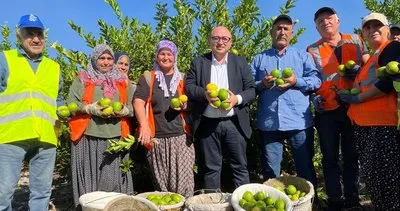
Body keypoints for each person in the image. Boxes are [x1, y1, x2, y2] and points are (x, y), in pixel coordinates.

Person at [306, 7, 369, 210]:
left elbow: (368, 65)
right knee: (330, 156)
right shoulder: (312, 49)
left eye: (329, 18)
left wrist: (360, 73)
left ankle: (352, 200)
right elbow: (312, 78)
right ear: (316, 27)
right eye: (320, 21)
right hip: (327, 109)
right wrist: (316, 97)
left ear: (338, 20)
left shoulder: (356, 40)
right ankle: (335, 200)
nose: (325, 22)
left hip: (353, 105)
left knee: (352, 155)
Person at [0, 14, 64, 210]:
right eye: (30, 34)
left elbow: (58, 100)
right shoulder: (5, 59)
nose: (36, 39)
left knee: (42, 192)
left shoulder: (54, 67)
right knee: (3, 192)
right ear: (19, 36)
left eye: (40, 34)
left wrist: (65, 115)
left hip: (46, 136)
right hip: (12, 135)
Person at [338, 12, 400, 210]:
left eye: (377, 26)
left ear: (388, 30)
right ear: (363, 33)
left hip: (382, 126)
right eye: (368, 27)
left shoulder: (392, 47)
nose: (373, 30)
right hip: (367, 125)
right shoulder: (375, 56)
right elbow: (372, 78)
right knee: (376, 180)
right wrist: (357, 73)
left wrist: (358, 98)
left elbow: (391, 80)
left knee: (387, 181)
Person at [251, 15, 320, 189]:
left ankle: (310, 204)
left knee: (305, 169)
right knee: (270, 171)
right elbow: (249, 86)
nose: (282, 32)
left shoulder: (302, 56)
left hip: (298, 122)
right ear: (272, 32)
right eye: (278, 28)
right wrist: (262, 84)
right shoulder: (259, 58)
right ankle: (273, 204)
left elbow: (316, 80)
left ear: (291, 33)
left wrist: (296, 81)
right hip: (269, 123)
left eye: (286, 29)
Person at [185, 26, 256, 190]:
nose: (220, 42)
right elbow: (189, 86)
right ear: (209, 41)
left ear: (230, 42)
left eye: (225, 38)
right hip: (208, 124)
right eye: (216, 38)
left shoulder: (240, 62)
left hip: (234, 123)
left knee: (240, 167)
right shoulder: (199, 62)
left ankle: (242, 203)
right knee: (211, 169)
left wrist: (236, 99)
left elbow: (251, 89)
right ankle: (213, 204)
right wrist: (205, 94)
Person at [67, 44, 134, 207]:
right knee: (90, 184)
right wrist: (89, 108)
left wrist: (125, 111)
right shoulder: (82, 79)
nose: (106, 62)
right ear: (94, 60)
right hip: (87, 137)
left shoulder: (123, 82)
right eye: (102, 58)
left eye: (110, 58)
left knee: (113, 182)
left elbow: (133, 108)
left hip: (116, 138)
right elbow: (71, 104)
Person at [133, 40, 194, 197]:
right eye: (162, 53)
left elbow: (195, 103)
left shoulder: (183, 78)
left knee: (184, 183)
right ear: (157, 56)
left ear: (175, 57)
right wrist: (144, 126)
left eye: (169, 54)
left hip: (181, 138)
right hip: (157, 138)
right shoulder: (148, 78)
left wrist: (185, 106)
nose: (166, 57)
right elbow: (138, 101)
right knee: (162, 185)